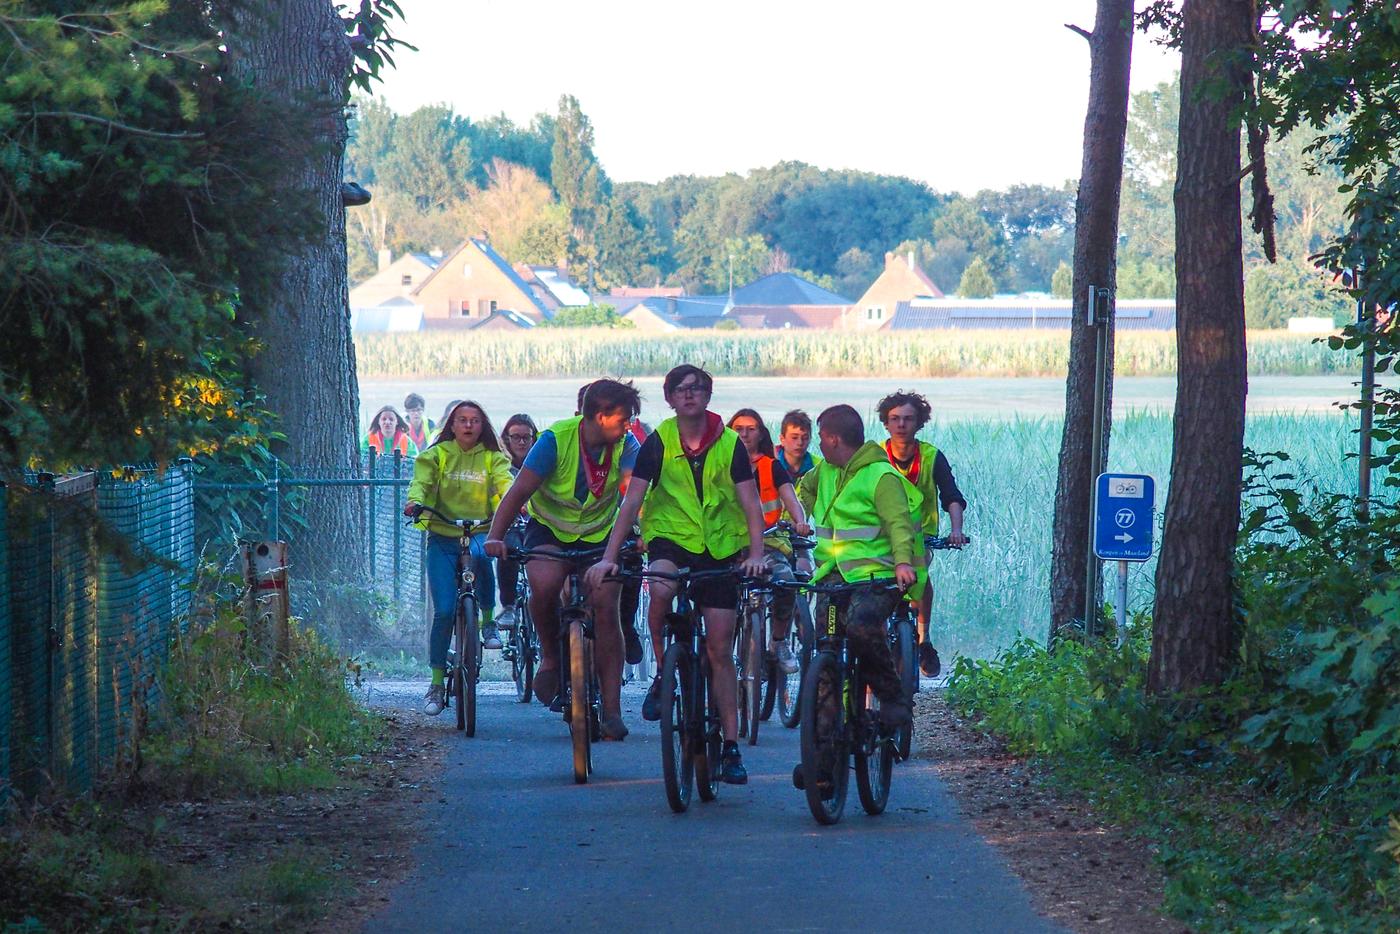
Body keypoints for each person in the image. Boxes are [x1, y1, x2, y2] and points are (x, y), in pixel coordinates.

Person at [586, 364, 767, 784]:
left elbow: (750, 504)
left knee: (720, 650)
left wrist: (756, 553)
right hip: (671, 537)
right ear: (669, 398)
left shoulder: (729, 444)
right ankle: (664, 668)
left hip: (720, 546)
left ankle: (731, 746)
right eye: (681, 390)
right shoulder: (659, 440)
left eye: (698, 388)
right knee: (661, 585)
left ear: (708, 395)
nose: (690, 395)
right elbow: (631, 503)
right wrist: (609, 556)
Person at [485, 380, 643, 741]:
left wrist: (641, 532)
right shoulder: (555, 441)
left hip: (601, 534)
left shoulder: (627, 445)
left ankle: (613, 710)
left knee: (606, 605)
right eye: (624, 419)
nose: (628, 426)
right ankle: (552, 657)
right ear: (600, 417)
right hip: (550, 529)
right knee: (543, 585)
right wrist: (495, 536)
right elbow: (518, 492)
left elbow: (634, 497)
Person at [795, 404, 922, 738]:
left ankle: (892, 697)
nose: (817, 444)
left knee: (862, 627)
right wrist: (797, 515)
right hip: (833, 575)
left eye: (821, 437)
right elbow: (803, 492)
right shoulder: (824, 471)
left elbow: (899, 524)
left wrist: (903, 562)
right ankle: (822, 764)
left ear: (835, 440)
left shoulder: (881, 476)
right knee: (826, 655)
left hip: (875, 577)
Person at [405, 400, 514, 716]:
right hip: (442, 536)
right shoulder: (436, 455)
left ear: (483, 426)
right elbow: (421, 484)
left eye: (475, 420)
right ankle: (437, 682)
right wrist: (415, 502)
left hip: (479, 530)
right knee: (444, 612)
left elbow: (505, 483)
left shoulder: (493, 458)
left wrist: (514, 503)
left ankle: (488, 621)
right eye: (462, 420)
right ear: (451, 425)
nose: (468, 425)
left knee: (483, 555)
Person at [876, 390, 968, 678]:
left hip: (920, 535)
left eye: (908, 419)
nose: (901, 424)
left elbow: (951, 496)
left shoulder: (931, 457)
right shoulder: (877, 455)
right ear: (886, 424)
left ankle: (923, 638)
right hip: (881, 534)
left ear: (919, 423)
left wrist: (956, 530)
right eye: (895, 419)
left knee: (920, 575)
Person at [726, 409, 811, 674]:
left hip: (769, 543)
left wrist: (800, 521)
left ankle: (778, 640)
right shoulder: (720, 462)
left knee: (786, 580)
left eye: (751, 428)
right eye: (739, 428)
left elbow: (791, 499)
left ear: (761, 433)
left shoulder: (770, 465)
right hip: (727, 545)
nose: (744, 434)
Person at [493, 413, 539, 633]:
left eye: (526, 437)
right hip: (511, 523)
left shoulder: (542, 462)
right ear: (507, 439)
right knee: (508, 549)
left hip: (538, 522)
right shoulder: (500, 464)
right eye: (516, 437)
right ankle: (508, 605)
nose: (521, 442)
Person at [776, 409, 821, 481]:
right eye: (794, 437)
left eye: (805, 438)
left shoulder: (819, 466)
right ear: (782, 439)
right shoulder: (769, 465)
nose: (800, 442)